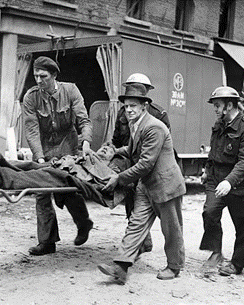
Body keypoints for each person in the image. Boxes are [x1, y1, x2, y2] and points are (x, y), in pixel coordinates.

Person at [97, 83, 186, 283]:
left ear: (144, 106)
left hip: (166, 186)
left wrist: (118, 178)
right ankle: (121, 267)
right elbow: (132, 150)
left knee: (171, 228)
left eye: (133, 106)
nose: (129, 110)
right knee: (136, 224)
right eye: (127, 106)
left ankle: (174, 266)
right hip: (146, 186)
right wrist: (115, 151)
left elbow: (146, 163)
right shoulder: (135, 124)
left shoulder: (153, 127)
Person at [23, 56, 94, 256]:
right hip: (44, 148)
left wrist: (86, 142)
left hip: (67, 146)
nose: (38, 80)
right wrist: (39, 157)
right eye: (35, 75)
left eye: (43, 76)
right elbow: (31, 129)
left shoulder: (70, 90)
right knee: (41, 190)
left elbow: (84, 120)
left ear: (54, 76)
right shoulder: (31, 97)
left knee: (68, 190)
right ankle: (47, 242)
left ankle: (83, 223)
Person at [200, 86, 244, 276]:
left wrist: (229, 182)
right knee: (210, 212)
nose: (215, 109)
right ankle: (216, 252)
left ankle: (238, 263)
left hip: (241, 185)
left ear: (230, 105)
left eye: (218, 105)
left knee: (243, 223)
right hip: (216, 178)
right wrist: (207, 171)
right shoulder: (219, 125)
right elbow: (213, 152)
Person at [111, 73, 170, 148]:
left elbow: (162, 144)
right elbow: (116, 141)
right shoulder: (122, 112)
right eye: (130, 87)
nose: (129, 110)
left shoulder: (159, 114)